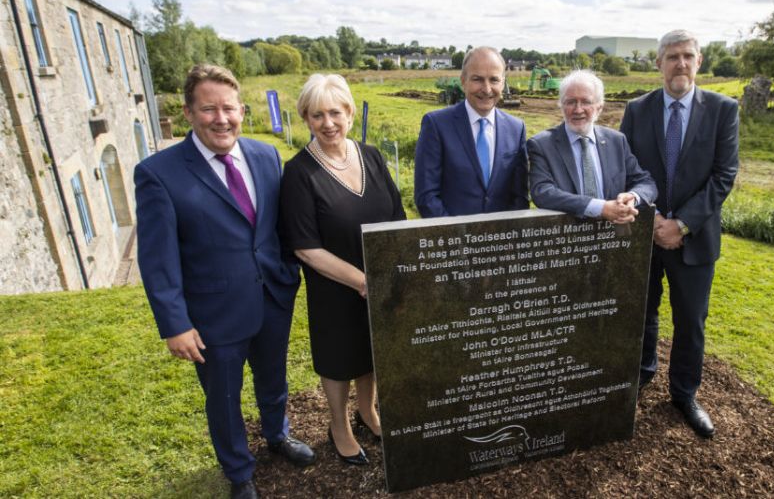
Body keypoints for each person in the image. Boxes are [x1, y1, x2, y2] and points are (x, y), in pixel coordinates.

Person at [135, 64, 314, 499]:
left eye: (229, 108)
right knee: (224, 398)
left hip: (272, 297)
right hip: (212, 314)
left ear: (242, 110)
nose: (221, 118)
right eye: (209, 109)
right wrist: (174, 323)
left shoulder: (265, 155)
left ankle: (278, 434)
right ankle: (239, 473)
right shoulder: (159, 173)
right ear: (189, 112)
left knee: (273, 379)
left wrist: (289, 274)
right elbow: (158, 259)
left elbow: (277, 228)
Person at [279, 74, 406, 466]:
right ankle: (339, 425)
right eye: (317, 115)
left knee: (371, 352)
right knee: (339, 358)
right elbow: (305, 247)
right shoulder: (299, 173)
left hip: (380, 281)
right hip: (334, 287)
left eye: (335, 112)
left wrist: (392, 271)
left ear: (350, 112)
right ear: (306, 119)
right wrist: (361, 281)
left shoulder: (371, 156)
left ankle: (367, 412)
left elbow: (397, 215)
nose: (328, 122)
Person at [619, 30, 739, 438]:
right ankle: (641, 375)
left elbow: (724, 176)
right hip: (645, 235)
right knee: (643, 313)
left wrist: (681, 224)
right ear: (659, 63)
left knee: (691, 322)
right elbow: (628, 166)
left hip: (695, 238)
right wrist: (652, 221)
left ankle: (685, 394)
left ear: (700, 61)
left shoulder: (723, 110)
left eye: (688, 56)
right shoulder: (637, 109)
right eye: (672, 57)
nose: (680, 64)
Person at [528, 69, 656, 222]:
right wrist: (600, 208)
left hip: (613, 237)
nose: (578, 109)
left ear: (599, 107)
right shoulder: (541, 145)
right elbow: (543, 192)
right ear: (561, 106)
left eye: (586, 102)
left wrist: (633, 197)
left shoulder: (616, 141)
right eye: (570, 102)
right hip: (567, 239)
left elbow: (645, 182)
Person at [414, 46, 529, 217]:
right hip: (453, 239)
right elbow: (427, 196)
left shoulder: (516, 128)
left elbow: (520, 197)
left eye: (494, 80)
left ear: (503, 83)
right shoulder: (436, 125)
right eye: (478, 79)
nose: (487, 88)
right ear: (463, 81)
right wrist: (459, 238)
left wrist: (504, 235)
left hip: (501, 240)